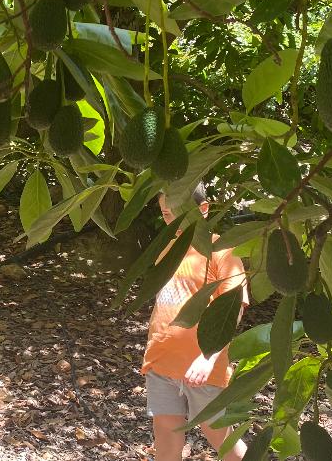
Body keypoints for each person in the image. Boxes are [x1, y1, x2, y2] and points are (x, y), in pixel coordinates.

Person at [142, 184, 248, 461]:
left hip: (200, 365)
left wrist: (208, 356)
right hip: (161, 360)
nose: (173, 221)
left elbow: (234, 306)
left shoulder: (220, 250)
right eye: (166, 214)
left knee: (218, 433)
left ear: (203, 209)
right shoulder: (166, 248)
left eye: (179, 213)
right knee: (165, 434)